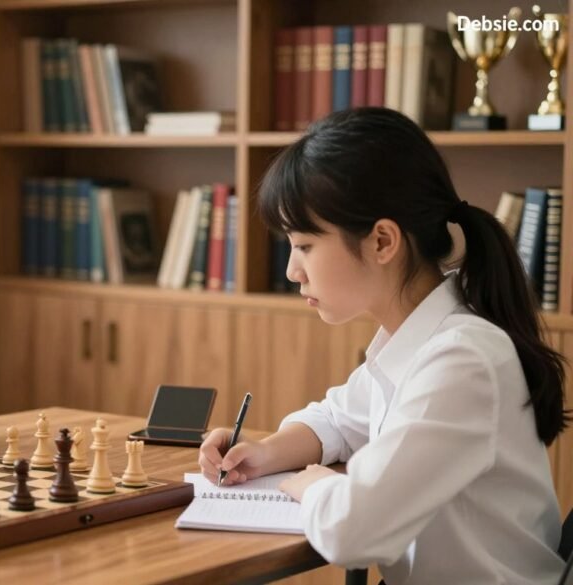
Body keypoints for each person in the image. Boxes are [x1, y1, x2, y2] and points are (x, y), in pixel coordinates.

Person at [198, 108, 569, 584]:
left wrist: (314, 485)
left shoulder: (462, 360)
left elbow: (354, 531)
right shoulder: (416, 339)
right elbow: (337, 419)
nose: (292, 271)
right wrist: (265, 453)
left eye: (305, 245)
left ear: (382, 241)